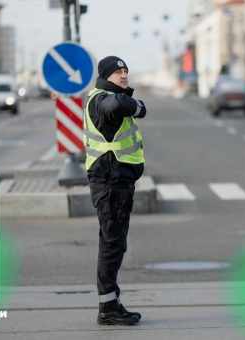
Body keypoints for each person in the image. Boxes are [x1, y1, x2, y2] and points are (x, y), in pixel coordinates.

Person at [84, 56, 147, 326]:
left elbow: (126, 105)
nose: (123, 76)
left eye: (125, 71)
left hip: (118, 182)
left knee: (115, 243)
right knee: (112, 245)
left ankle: (111, 303)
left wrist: (134, 105)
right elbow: (115, 104)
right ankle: (107, 307)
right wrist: (135, 105)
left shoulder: (106, 95)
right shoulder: (101, 98)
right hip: (110, 182)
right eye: (118, 72)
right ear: (105, 76)